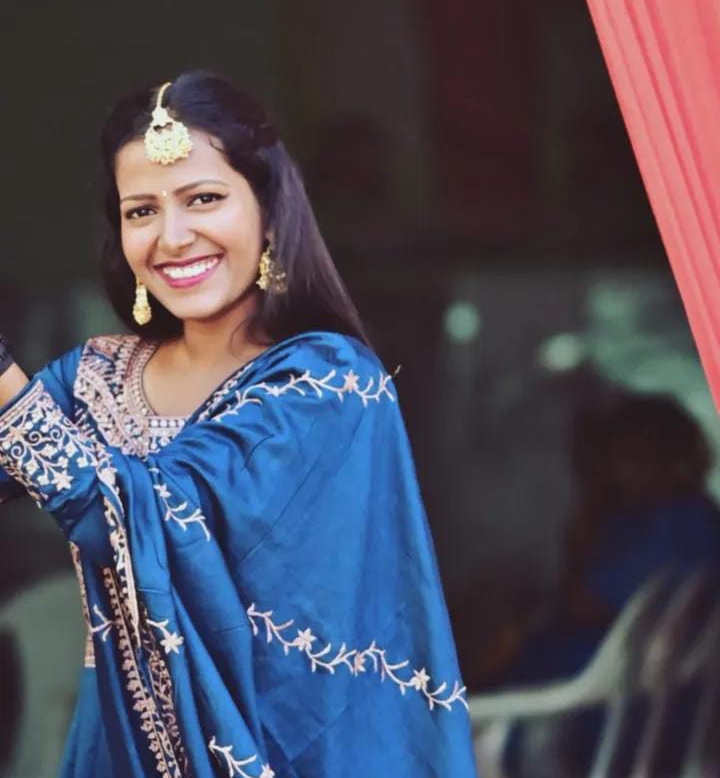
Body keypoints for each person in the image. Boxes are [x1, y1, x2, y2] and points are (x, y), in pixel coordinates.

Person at [0, 72, 477, 777]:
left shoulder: (327, 383)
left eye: (204, 199)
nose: (172, 237)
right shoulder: (94, 379)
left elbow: (127, 514)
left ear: (271, 212)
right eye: (141, 210)